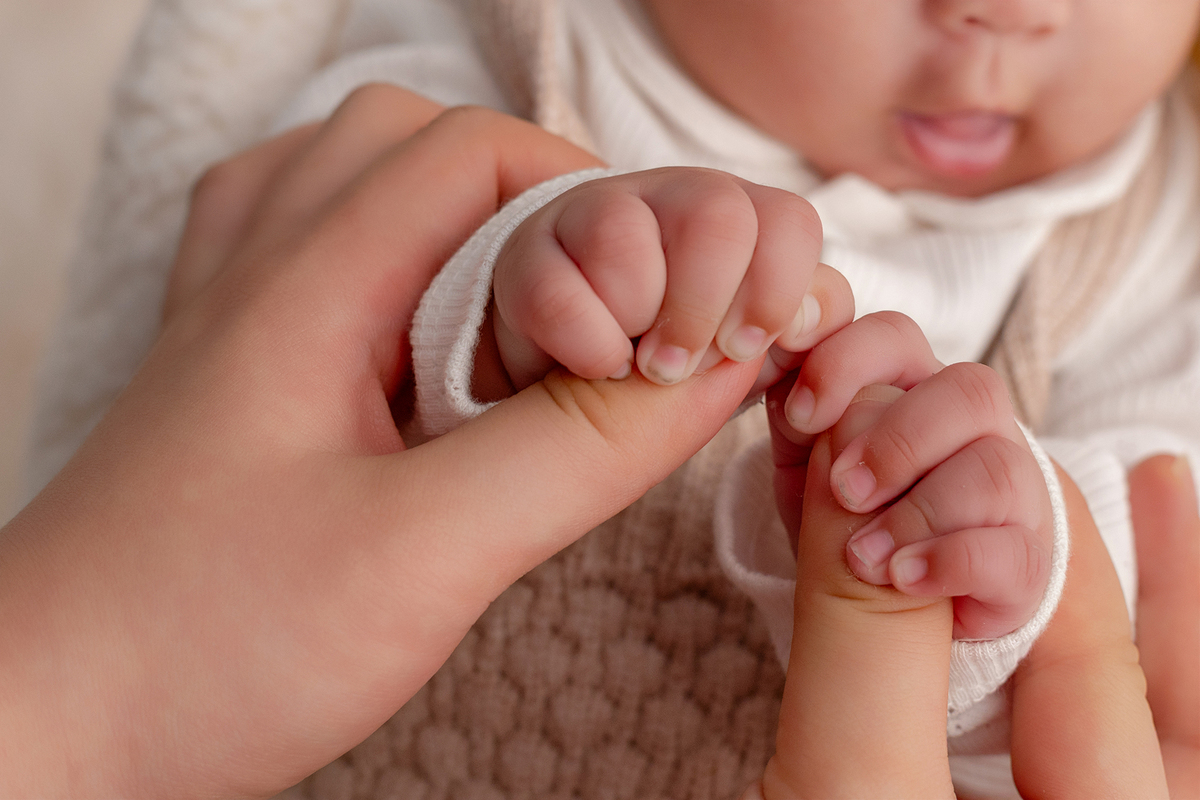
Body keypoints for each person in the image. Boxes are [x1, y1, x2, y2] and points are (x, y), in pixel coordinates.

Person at [21, 0, 1200, 794]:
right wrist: (516, 307)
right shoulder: (521, 46)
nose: (1012, 14)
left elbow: (1156, 563)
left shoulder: (1150, 226)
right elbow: (300, 311)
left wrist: (1002, 555)